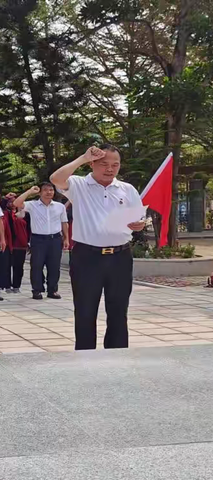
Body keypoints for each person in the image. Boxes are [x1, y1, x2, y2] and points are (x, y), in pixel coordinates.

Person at [50, 145, 145, 350]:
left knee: (119, 310)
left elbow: (139, 217)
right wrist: (81, 158)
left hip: (120, 257)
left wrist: (140, 224)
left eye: (115, 165)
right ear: (92, 164)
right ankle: (85, 356)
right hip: (87, 257)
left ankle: (117, 354)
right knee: (85, 310)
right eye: (104, 164)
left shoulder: (127, 189)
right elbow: (56, 179)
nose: (110, 169)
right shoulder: (79, 185)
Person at [14, 182, 69, 300]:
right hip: (38, 239)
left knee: (54, 266)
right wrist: (29, 191)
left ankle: (52, 290)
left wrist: (66, 238)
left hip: (55, 239)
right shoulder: (32, 205)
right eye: (45, 190)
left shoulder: (60, 206)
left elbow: (64, 223)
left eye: (51, 190)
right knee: (37, 265)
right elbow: (16, 203)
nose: (49, 192)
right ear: (40, 192)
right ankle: (37, 290)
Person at [9, 200, 30, 293]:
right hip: (10, 244)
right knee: (6, 266)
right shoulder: (10, 215)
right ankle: (6, 285)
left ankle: (16, 285)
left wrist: (29, 243)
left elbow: (30, 229)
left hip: (22, 245)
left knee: (18, 267)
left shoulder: (27, 216)